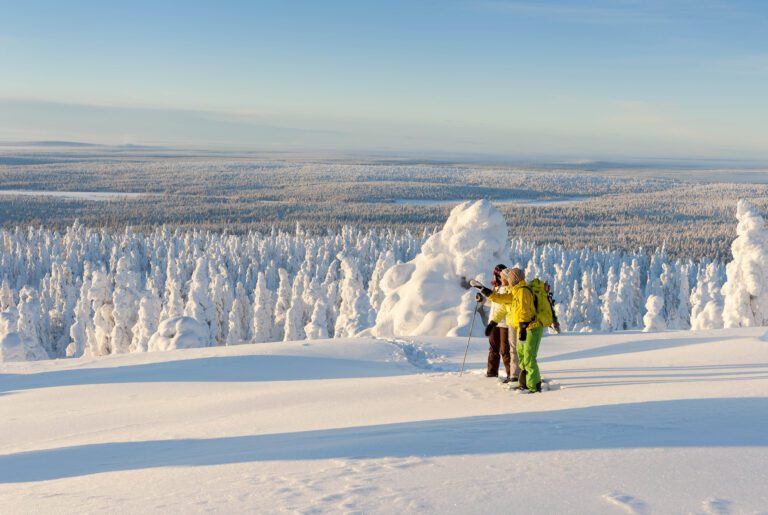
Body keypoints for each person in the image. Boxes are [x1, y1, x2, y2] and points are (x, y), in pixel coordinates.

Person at [473, 267, 543, 393]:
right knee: (521, 356)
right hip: (520, 327)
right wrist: (484, 291)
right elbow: (500, 302)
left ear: (514, 280)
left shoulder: (522, 292)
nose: (507, 281)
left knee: (527, 357)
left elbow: (524, 312)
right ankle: (524, 381)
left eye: (509, 279)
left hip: (529, 328)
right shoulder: (514, 291)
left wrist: (522, 329)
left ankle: (534, 386)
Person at [477, 264, 519, 382]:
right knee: (493, 348)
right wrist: (482, 300)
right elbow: (493, 302)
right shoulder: (496, 288)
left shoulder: (509, 288)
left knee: (505, 350)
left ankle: (511, 374)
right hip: (495, 321)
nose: (496, 277)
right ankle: (491, 372)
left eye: (498, 275)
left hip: (505, 323)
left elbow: (502, 302)